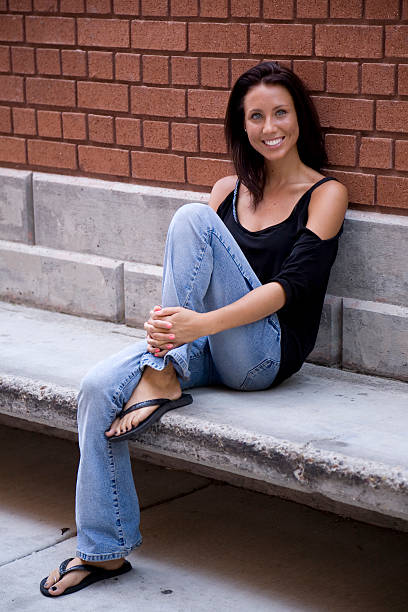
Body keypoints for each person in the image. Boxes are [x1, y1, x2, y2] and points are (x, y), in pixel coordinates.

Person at [40, 61, 348, 597]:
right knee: (96, 386)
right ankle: (104, 550)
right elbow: (192, 276)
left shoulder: (325, 194)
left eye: (281, 112)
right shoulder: (228, 189)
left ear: (300, 118)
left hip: (263, 356)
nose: (270, 126)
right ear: (241, 125)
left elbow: (290, 288)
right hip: (205, 345)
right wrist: (173, 325)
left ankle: (161, 372)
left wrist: (193, 325)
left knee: (190, 218)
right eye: (256, 116)